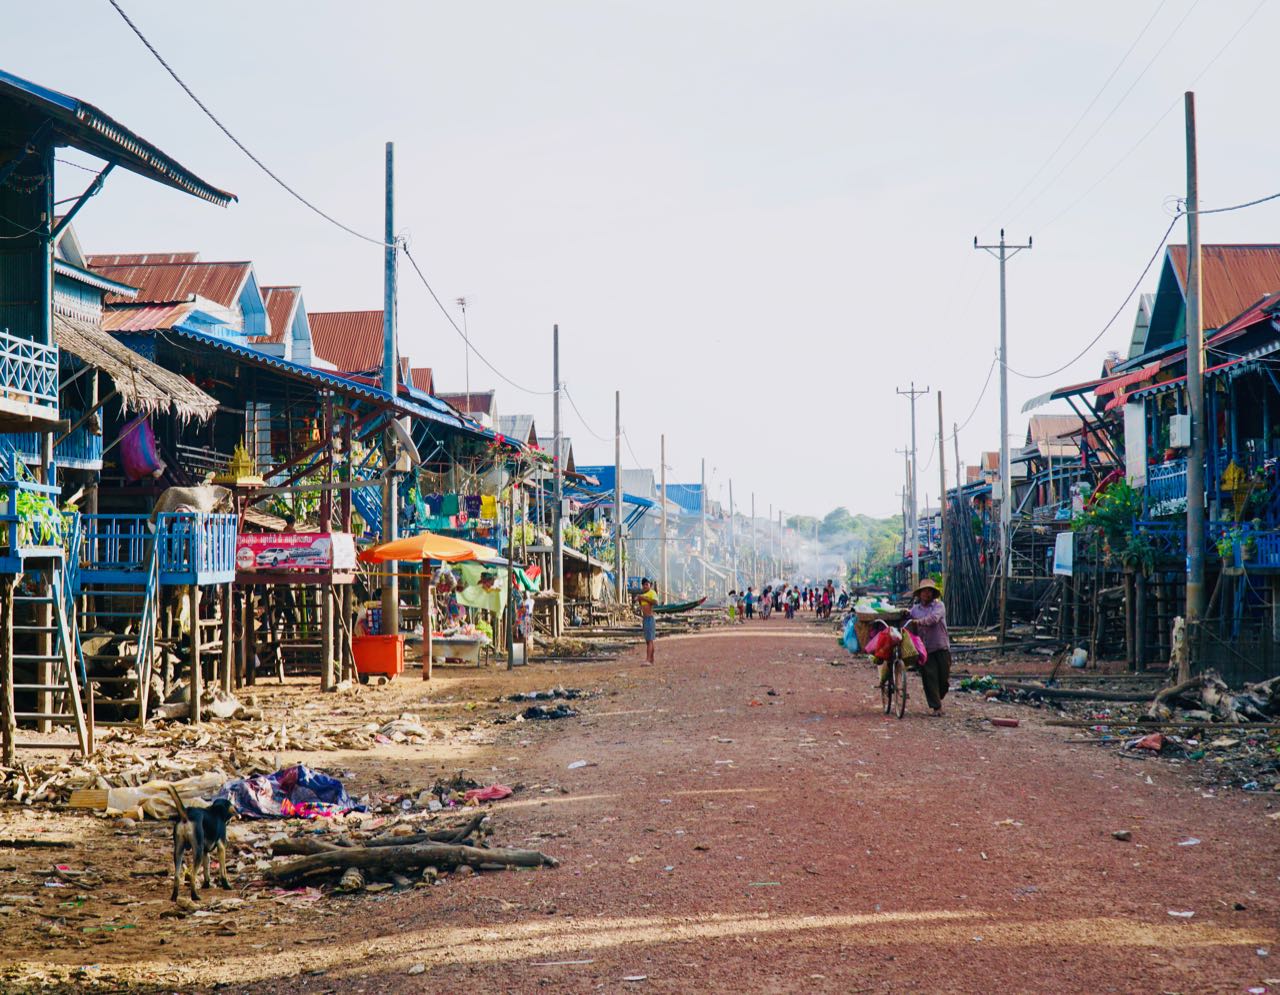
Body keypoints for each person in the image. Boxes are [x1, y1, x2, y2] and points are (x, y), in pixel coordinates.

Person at [908, 578, 951, 716]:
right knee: (929, 677)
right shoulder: (914, 610)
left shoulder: (939, 606)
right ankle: (936, 707)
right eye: (924, 591)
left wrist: (918, 622)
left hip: (941, 646)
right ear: (920, 594)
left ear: (933, 594)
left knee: (943, 679)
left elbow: (933, 619)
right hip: (925, 649)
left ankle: (938, 696)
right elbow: (909, 623)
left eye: (929, 591)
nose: (927, 594)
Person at [636, 577, 659, 665]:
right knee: (648, 640)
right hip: (645, 618)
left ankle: (648, 660)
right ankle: (651, 659)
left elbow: (655, 602)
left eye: (647, 584)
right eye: (644, 585)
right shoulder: (643, 595)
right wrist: (639, 599)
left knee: (649, 640)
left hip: (650, 618)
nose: (645, 586)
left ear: (650, 585)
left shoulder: (652, 593)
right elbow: (642, 606)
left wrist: (643, 598)